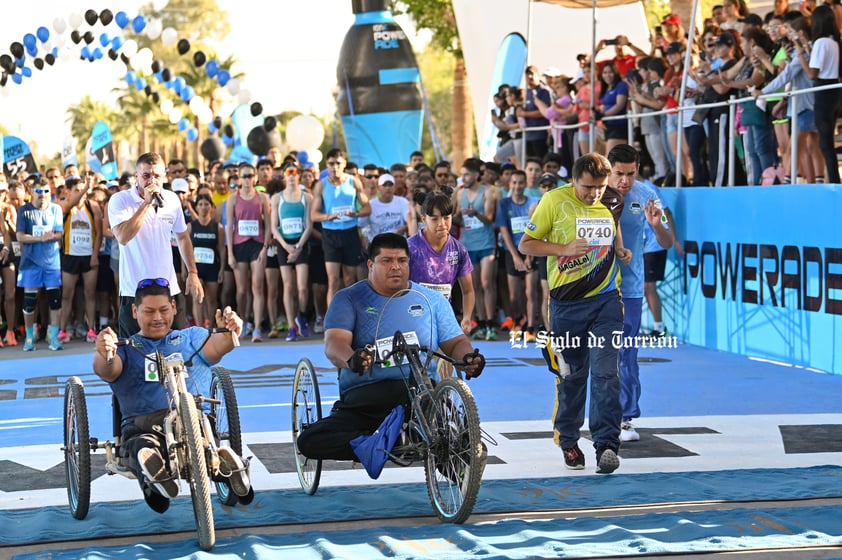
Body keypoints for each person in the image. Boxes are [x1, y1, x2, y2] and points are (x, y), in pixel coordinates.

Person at [295, 233, 485, 463]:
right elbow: (335, 342)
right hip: (365, 401)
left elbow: (455, 343)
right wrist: (352, 358)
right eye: (387, 261)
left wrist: (468, 358)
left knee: (458, 443)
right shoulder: (348, 299)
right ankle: (376, 444)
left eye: (402, 261)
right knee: (309, 440)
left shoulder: (432, 301)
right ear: (370, 264)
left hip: (420, 398)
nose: (396, 267)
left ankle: (401, 443)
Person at [93, 278, 251, 513]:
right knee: (143, 445)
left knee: (204, 440)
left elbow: (218, 346)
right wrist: (104, 351)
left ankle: (223, 463)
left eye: (164, 310)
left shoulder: (191, 337)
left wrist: (230, 330)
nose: (157, 317)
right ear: (135, 311)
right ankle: (154, 472)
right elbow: (107, 368)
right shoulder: (125, 346)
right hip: (145, 425)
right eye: (149, 311)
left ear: (174, 308)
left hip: (194, 422)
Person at [518, 152, 626, 474]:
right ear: (574, 179)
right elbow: (526, 244)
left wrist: (619, 249)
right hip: (566, 305)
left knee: (607, 373)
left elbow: (612, 227)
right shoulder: (553, 201)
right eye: (588, 187)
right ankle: (568, 440)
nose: (594, 194)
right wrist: (563, 249)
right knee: (573, 378)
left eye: (600, 187)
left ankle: (607, 444)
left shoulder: (612, 200)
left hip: (607, 301)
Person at [606, 145, 673, 443]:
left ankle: (626, 417)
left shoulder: (647, 195)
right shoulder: (588, 192)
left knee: (626, 354)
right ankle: (593, 413)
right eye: (619, 173)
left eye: (630, 173)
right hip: (590, 287)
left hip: (629, 289)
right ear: (608, 170)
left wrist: (657, 226)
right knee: (587, 353)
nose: (625, 180)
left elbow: (667, 240)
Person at [108, 153, 204, 338]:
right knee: (135, 357)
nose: (152, 180)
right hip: (134, 292)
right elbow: (123, 236)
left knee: (174, 355)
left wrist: (192, 272)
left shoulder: (172, 200)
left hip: (168, 290)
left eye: (157, 176)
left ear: (165, 177)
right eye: (146, 176)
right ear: (136, 177)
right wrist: (146, 204)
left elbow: (183, 237)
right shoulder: (120, 200)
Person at [310, 148, 371, 306]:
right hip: (330, 234)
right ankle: (331, 321)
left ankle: (350, 317)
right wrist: (327, 216)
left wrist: (356, 214)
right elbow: (313, 215)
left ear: (344, 164)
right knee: (333, 279)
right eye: (331, 163)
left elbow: (367, 208)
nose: (335, 167)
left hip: (350, 233)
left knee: (350, 278)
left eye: (338, 163)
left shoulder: (354, 181)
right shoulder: (321, 185)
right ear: (327, 165)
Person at [407, 191, 475, 333]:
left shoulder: (459, 250)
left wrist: (466, 317)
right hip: (413, 319)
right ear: (424, 219)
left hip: (443, 320)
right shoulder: (410, 248)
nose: (442, 224)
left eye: (446, 217)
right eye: (435, 219)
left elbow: (468, 291)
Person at [796, 4, 842, 183]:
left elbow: (812, 73)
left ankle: (834, 181)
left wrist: (800, 55)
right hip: (834, 91)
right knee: (827, 140)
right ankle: (833, 179)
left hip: (823, 92)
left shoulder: (822, 42)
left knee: (825, 143)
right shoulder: (834, 41)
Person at [17, 179, 65, 351]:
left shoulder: (56, 209)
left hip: (51, 263)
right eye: (39, 190)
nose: (43, 194)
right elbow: (20, 236)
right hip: (30, 263)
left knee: (54, 300)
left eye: (46, 191)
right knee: (30, 301)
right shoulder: (24, 211)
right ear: (31, 191)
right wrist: (41, 237)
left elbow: (60, 234)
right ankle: (29, 338)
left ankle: (54, 338)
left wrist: (51, 236)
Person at [225, 162, 271, 342]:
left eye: (249, 176)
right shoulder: (233, 198)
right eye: (243, 176)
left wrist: (266, 248)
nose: (246, 179)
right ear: (239, 178)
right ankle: (242, 324)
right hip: (239, 246)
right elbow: (229, 226)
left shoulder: (262, 197)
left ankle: (258, 328)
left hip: (257, 245)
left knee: (257, 286)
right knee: (242, 290)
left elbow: (268, 225)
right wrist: (230, 253)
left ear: (254, 177)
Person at [453, 158, 497, 341]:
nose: (463, 178)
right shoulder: (459, 193)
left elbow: (489, 218)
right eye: (462, 175)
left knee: (487, 284)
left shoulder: (488, 192)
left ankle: (490, 323)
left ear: (476, 174)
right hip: (468, 245)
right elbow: (454, 219)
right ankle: (480, 322)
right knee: (475, 286)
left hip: (486, 244)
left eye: (466, 174)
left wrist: (475, 214)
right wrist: (458, 217)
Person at [269, 164, 313, 342]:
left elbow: (309, 225)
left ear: (299, 176)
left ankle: (301, 315)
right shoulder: (277, 198)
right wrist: (287, 247)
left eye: (295, 174)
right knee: (288, 286)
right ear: (285, 177)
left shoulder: (307, 197)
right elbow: (274, 226)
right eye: (289, 173)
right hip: (284, 245)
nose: (292, 177)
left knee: (302, 288)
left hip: (300, 243)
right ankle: (291, 326)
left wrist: (298, 247)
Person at [57, 175, 103, 344]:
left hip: (88, 257)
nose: (82, 194)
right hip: (70, 256)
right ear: (67, 191)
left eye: (83, 190)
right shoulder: (64, 205)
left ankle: (91, 329)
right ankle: (62, 329)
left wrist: (95, 255)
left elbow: (98, 233)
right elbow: (69, 204)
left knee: (90, 294)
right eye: (77, 191)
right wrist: (85, 189)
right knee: (67, 295)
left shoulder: (93, 207)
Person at [496, 169, 540, 341]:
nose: (517, 186)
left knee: (531, 292)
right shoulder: (504, 204)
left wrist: (529, 256)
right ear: (510, 184)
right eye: (514, 183)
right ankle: (516, 321)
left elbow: (537, 228)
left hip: (531, 251)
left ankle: (530, 328)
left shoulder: (533, 202)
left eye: (521, 183)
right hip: (511, 252)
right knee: (514, 295)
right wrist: (515, 256)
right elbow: (504, 231)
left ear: (525, 184)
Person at [187, 194, 225, 329]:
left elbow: (221, 249)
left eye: (206, 204)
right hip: (196, 268)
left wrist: (222, 269)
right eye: (200, 204)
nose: (203, 207)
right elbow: (185, 248)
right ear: (196, 207)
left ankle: (211, 326)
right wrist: (186, 269)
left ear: (211, 207)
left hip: (212, 268)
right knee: (197, 298)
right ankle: (199, 328)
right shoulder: (191, 227)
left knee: (212, 299)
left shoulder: (218, 227)